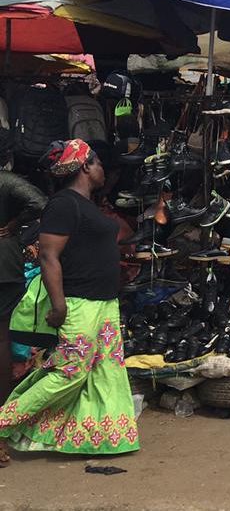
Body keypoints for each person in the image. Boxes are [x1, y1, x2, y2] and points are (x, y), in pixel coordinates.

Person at [0, 139, 139, 464]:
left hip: (103, 304)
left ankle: (98, 436)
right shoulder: (64, 204)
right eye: (99, 163)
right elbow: (49, 255)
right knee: (70, 372)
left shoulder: (85, 204)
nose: (104, 169)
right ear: (85, 166)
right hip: (79, 303)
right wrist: (59, 304)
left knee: (106, 370)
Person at [0, 131, 47, 412]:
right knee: (3, 337)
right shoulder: (6, 181)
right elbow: (40, 203)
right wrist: (15, 226)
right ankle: (3, 408)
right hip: (4, 263)